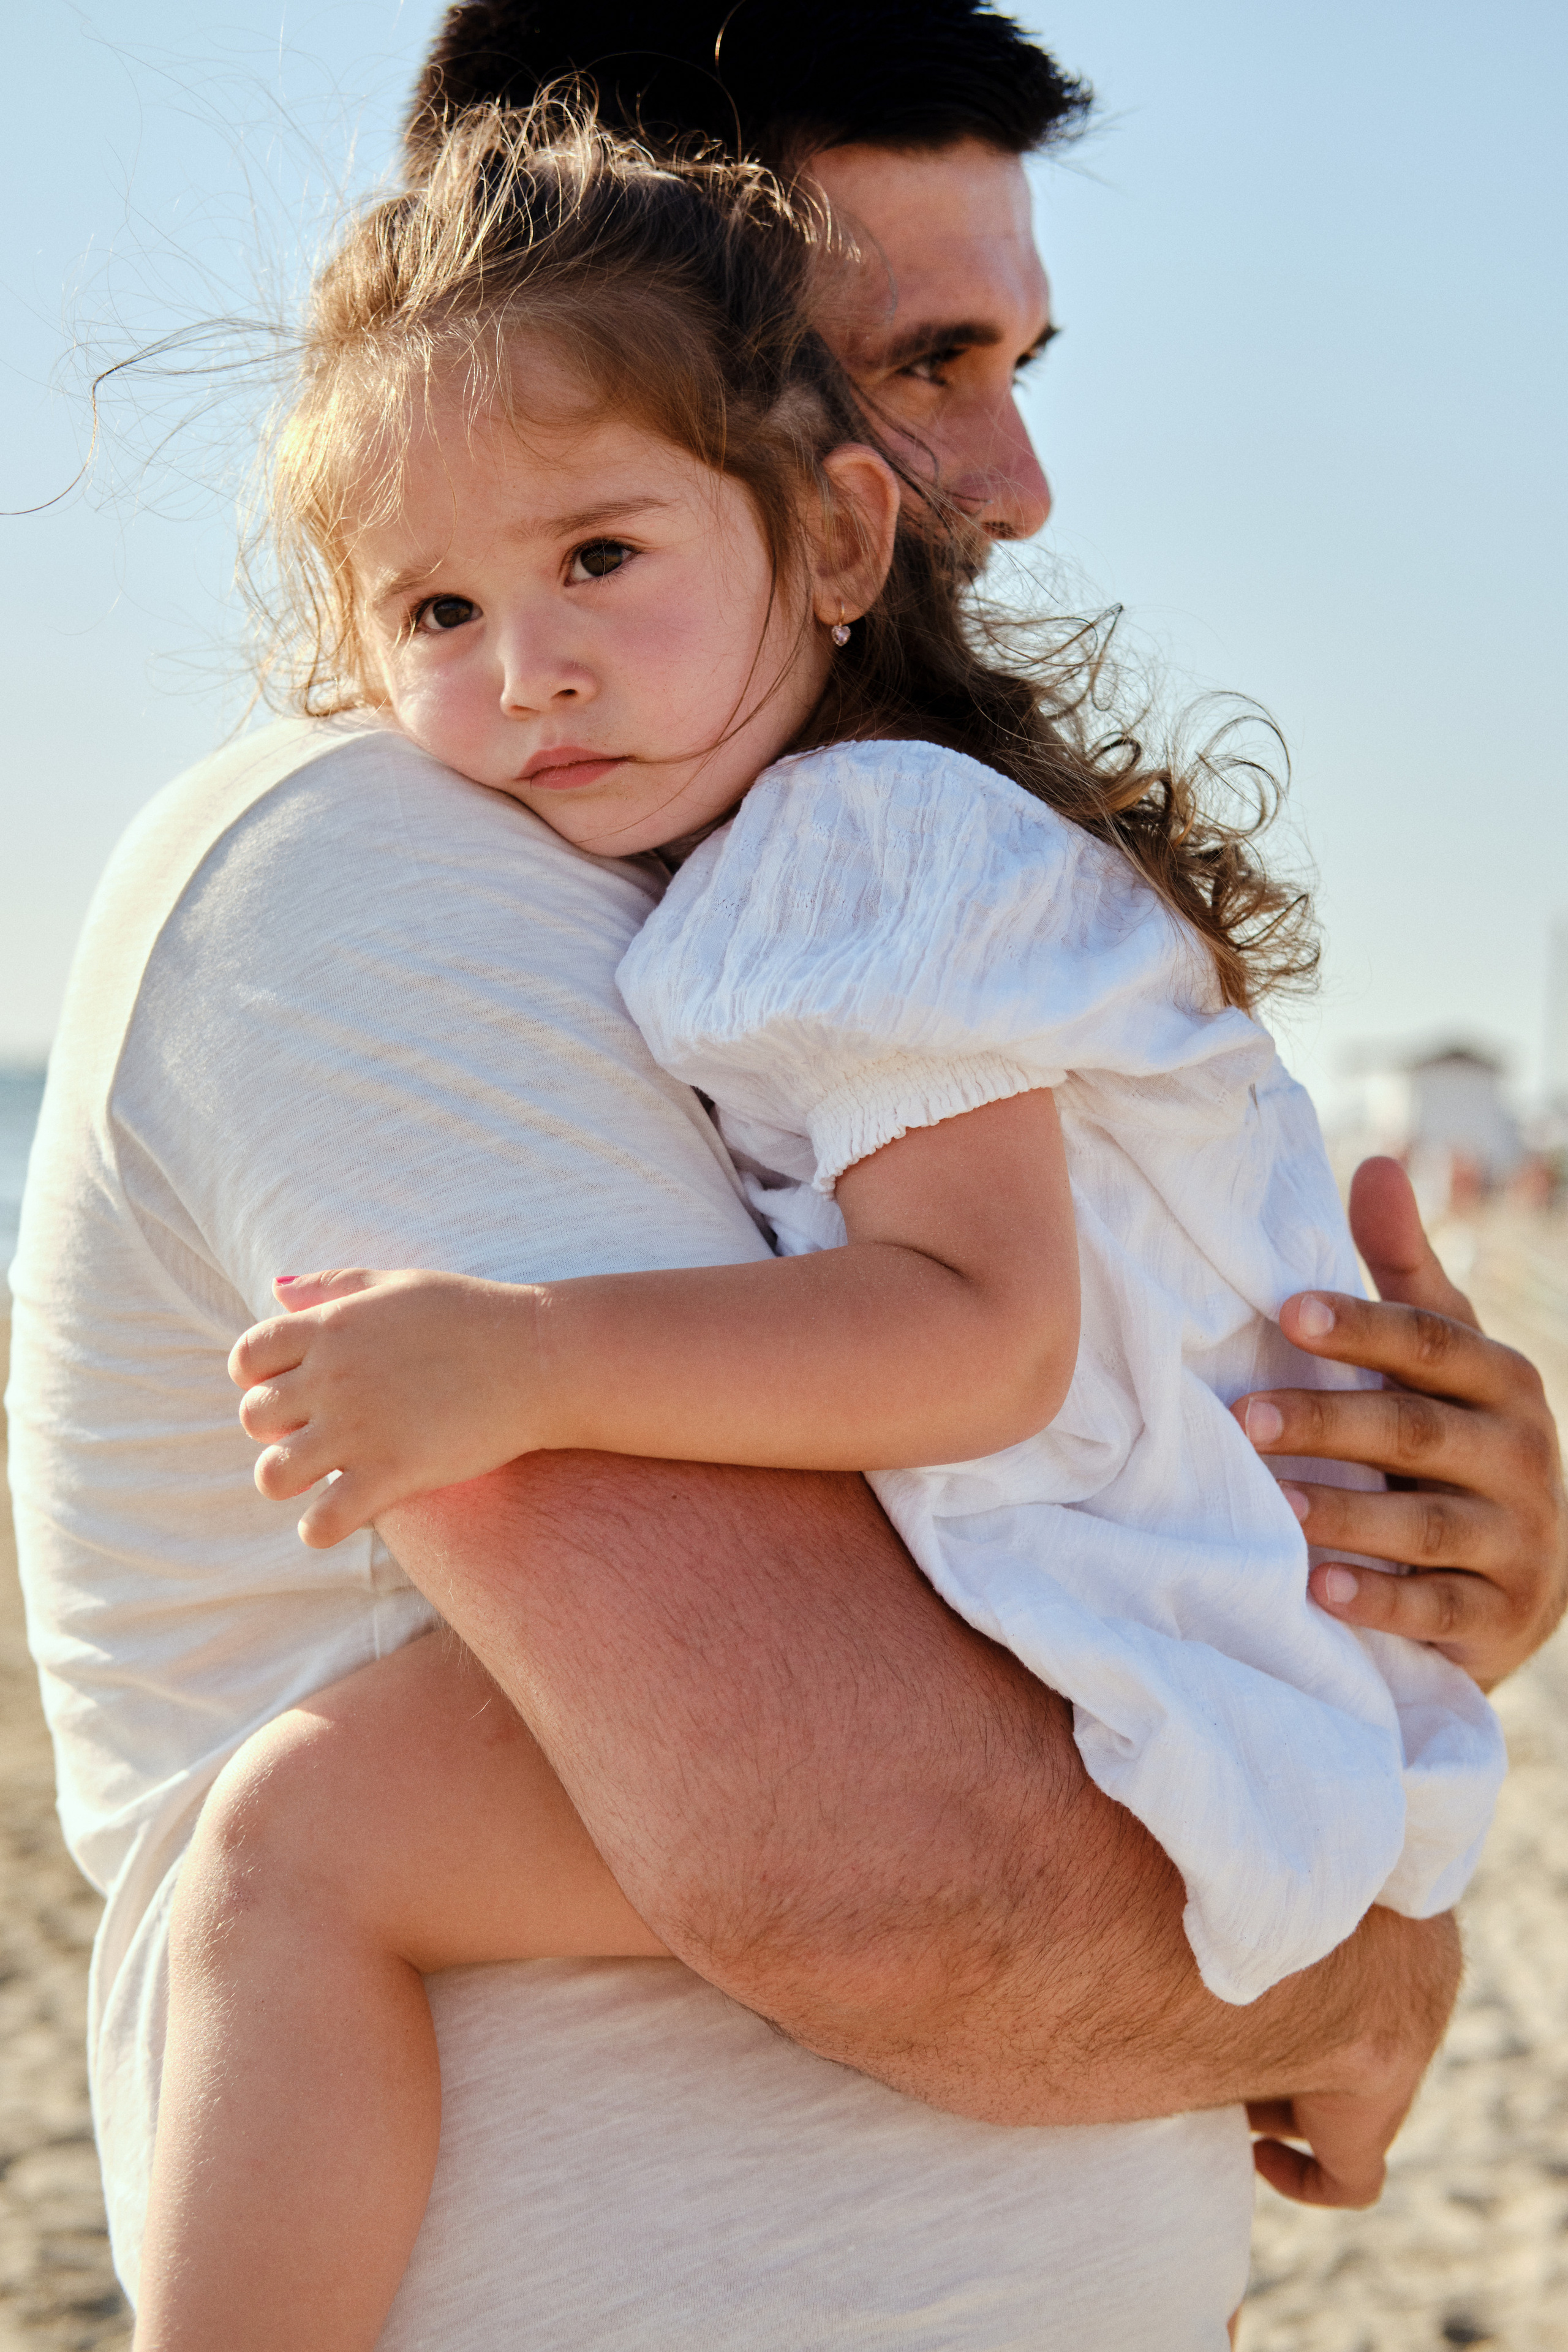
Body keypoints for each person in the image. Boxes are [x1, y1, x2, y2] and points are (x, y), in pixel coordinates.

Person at [6, 6, 1562, 2348]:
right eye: (922, 364)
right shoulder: (386, 869)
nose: (1019, 482)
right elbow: (879, 1864)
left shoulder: (807, 878)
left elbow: (1045, 1432)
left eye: (1022, 360)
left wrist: (1418, 1559)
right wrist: (1352, 1984)